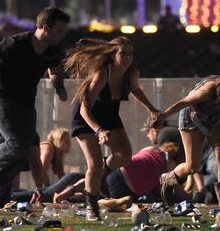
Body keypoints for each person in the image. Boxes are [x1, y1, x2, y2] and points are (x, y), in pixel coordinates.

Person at [0, 6, 70, 224]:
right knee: (17, 144)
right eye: (59, 30)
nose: (62, 35)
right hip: (3, 101)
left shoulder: (53, 49)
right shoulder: (16, 44)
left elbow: (55, 71)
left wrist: (59, 86)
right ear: (46, 28)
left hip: (27, 105)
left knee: (20, 159)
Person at [66, 37, 160, 221]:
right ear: (113, 54)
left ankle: (102, 174)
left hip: (109, 116)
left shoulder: (131, 73)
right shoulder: (103, 73)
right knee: (93, 164)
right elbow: (85, 110)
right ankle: (92, 206)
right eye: (122, 53)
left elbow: (135, 90)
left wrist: (151, 108)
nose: (127, 57)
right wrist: (99, 131)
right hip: (86, 118)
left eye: (130, 54)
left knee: (124, 155)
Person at [153, 63, 220, 220]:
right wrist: (163, 116)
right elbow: (184, 102)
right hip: (192, 118)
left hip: (215, 119)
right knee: (192, 166)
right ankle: (168, 179)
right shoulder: (210, 89)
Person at [105, 141, 186, 201]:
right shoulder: (173, 168)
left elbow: (138, 159)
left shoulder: (152, 149)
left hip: (116, 174)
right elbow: (180, 194)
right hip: (126, 189)